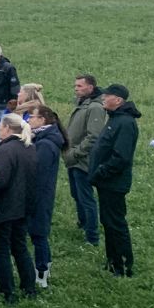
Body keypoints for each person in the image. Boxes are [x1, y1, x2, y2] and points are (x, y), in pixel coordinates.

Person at [0, 114, 38, 304]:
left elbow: (0, 181)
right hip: (23, 207)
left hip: (3, 207)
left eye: (0, 126)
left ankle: (8, 291)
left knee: (2, 250)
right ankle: (29, 288)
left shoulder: (5, 151)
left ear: (6, 128)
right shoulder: (29, 147)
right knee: (20, 247)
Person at [88, 84, 141, 277]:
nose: (103, 99)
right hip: (106, 182)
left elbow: (121, 157)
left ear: (117, 100)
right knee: (108, 222)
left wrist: (101, 171)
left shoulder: (125, 123)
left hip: (113, 183)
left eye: (106, 96)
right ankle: (113, 261)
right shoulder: (115, 119)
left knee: (116, 223)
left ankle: (123, 266)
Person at [63, 74, 107, 246]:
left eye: (80, 86)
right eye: (75, 86)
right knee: (76, 194)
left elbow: (94, 136)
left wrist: (74, 153)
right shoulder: (82, 103)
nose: (76, 88)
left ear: (91, 87)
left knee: (86, 198)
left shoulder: (95, 107)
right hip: (73, 157)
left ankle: (92, 237)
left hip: (82, 160)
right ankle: (83, 223)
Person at [27, 105, 67, 289]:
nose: (28, 120)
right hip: (43, 194)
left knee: (38, 234)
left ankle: (41, 274)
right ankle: (46, 267)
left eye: (32, 117)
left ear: (42, 120)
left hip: (39, 196)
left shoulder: (44, 144)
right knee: (39, 233)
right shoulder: (46, 139)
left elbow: (38, 173)